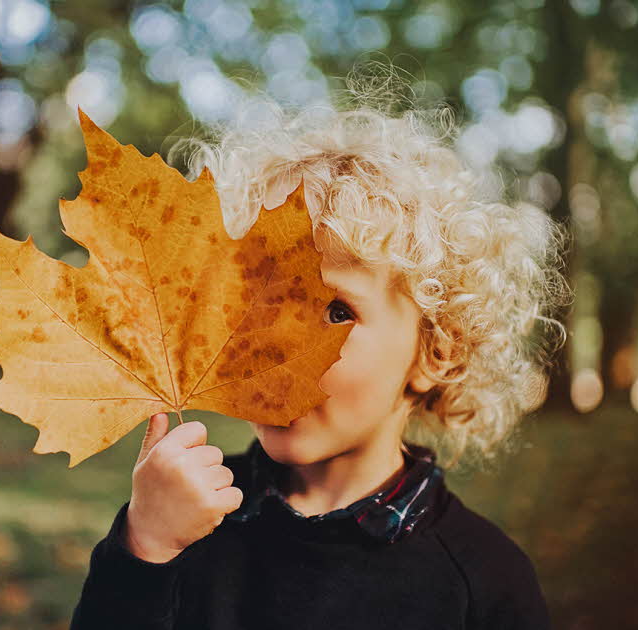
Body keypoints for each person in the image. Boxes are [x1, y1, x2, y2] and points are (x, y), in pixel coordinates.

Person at [69, 67, 571, 630]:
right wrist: (144, 547)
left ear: (438, 352)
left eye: (337, 311)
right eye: (257, 301)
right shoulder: (185, 517)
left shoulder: (483, 582)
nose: (276, 341)